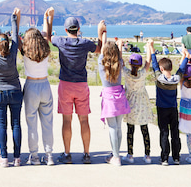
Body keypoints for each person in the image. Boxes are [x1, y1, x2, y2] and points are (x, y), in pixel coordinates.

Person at [45, 10, 101, 164]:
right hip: (81, 85)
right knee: (84, 120)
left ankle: (67, 154)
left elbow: (49, 37)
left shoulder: (60, 41)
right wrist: (100, 32)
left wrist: (49, 19)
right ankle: (87, 154)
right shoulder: (85, 43)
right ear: (78, 29)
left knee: (66, 121)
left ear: (65, 30)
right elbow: (99, 49)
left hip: (65, 85)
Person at [0, 7, 23, 167]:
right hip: (15, 91)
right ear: (8, 44)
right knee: (16, 123)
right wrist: (14, 18)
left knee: (2, 125)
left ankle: (4, 157)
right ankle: (17, 158)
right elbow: (15, 35)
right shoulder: (13, 52)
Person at [19, 11, 54, 166]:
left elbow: (15, 35)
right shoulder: (46, 49)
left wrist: (17, 19)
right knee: (48, 123)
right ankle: (49, 155)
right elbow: (46, 34)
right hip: (45, 85)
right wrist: (46, 18)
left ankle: (34, 156)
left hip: (31, 86)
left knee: (31, 124)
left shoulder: (25, 51)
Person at [151, 38, 188, 166]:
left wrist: (151, 49)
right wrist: (185, 57)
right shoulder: (176, 79)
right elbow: (182, 69)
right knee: (175, 133)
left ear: (162, 69)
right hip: (173, 108)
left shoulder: (159, 78)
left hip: (162, 108)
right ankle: (176, 157)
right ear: (171, 67)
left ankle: (165, 158)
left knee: (164, 133)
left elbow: (154, 65)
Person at [98, 24, 130, 166]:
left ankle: (115, 156)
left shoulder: (101, 62)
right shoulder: (120, 62)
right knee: (118, 127)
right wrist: (120, 46)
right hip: (120, 96)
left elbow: (103, 45)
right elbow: (119, 56)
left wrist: (102, 30)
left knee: (112, 128)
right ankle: (116, 153)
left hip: (109, 97)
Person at [121, 49, 153, 164]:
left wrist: (119, 46)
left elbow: (120, 61)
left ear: (130, 63)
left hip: (130, 103)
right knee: (144, 129)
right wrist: (149, 47)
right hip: (142, 103)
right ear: (140, 65)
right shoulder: (143, 73)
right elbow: (148, 62)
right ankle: (147, 155)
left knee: (130, 130)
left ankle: (130, 154)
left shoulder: (126, 73)